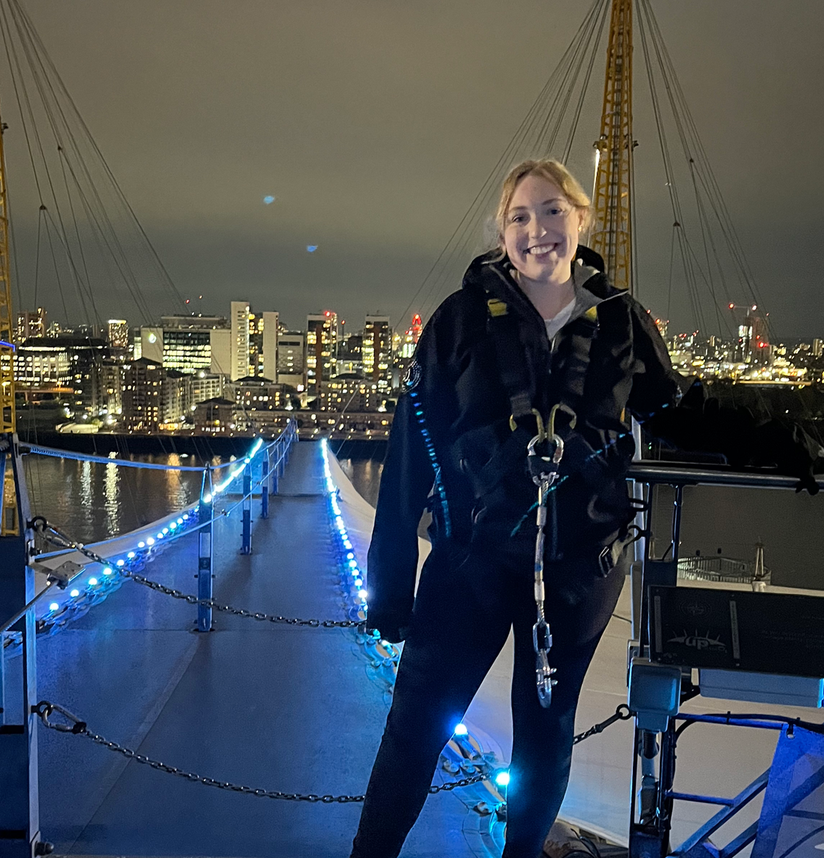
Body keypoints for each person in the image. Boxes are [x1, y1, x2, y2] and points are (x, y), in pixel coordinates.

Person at [350, 158, 820, 858]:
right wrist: (392, 586)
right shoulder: (458, 321)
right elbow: (413, 447)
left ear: (580, 221)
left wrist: (786, 444)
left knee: (545, 731)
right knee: (416, 720)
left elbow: (676, 411)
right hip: (471, 558)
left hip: (580, 565)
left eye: (551, 211)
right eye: (519, 216)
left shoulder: (621, 322)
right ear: (501, 234)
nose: (537, 228)